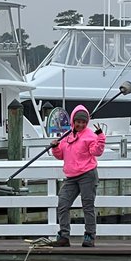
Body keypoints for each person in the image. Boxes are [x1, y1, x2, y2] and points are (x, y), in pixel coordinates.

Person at [49, 104, 106, 247]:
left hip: (88, 174)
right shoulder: (66, 136)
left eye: (83, 122)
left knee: (88, 206)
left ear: (86, 123)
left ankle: (89, 236)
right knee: (63, 203)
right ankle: (63, 236)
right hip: (71, 176)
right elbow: (61, 155)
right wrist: (55, 147)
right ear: (73, 121)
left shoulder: (90, 136)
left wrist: (100, 137)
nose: (80, 124)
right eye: (78, 121)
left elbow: (96, 152)